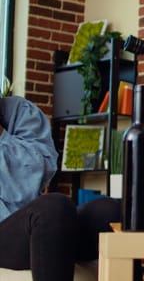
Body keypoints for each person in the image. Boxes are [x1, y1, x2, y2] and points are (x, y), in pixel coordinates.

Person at [0, 95, 123, 281]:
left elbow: (35, 176)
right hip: (16, 231)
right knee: (52, 208)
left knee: (110, 211)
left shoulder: (20, 110)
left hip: (39, 228)